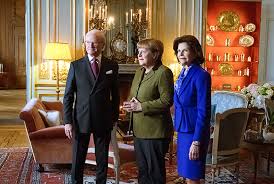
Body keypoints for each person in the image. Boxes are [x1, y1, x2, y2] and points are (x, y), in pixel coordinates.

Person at [63, 29, 120, 184]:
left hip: (103, 118)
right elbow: (68, 96)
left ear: (102, 44)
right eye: (87, 42)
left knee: (102, 158)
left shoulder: (112, 65)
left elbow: (115, 95)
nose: (90, 45)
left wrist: (114, 118)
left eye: (94, 42)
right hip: (81, 118)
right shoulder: (76, 66)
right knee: (78, 157)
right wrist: (67, 121)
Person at [123, 38, 174, 184]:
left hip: (155, 132)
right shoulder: (139, 71)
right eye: (138, 52)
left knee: (155, 173)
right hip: (139, 130)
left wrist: (141, 107)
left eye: (143, 52)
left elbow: (166, 101)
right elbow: (135, 95)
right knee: (143, 171)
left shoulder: (164, 73)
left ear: (155, 54)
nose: (138, 55)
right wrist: (130, 105)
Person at [173, 35, 211, 184]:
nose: (180, 54)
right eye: (178, 51)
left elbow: (204, 111)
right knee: (186, 173)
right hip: (183, 129)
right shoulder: (182, 73)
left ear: (195, 52)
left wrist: (196, 142)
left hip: (195, 132)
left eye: (185, 50)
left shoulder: (202, 75)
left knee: (192, 175)